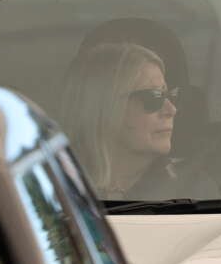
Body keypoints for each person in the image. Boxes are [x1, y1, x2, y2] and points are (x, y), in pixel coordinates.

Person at [61, 42, 181, 200]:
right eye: (154, 97)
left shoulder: (190, 188)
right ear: (103, 107)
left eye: (169, 95)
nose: (171, 110)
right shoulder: (54, 189)